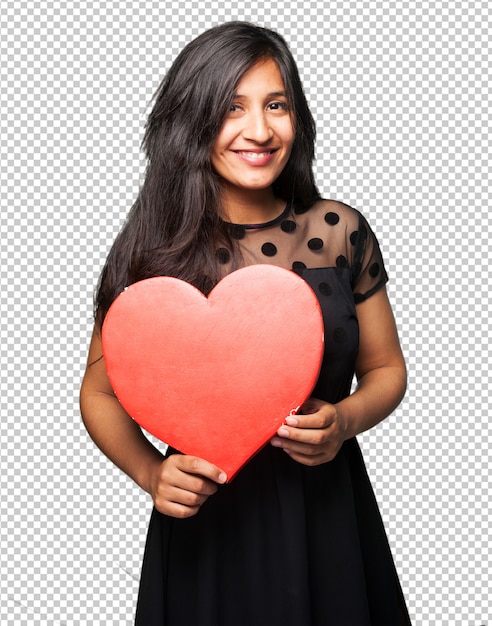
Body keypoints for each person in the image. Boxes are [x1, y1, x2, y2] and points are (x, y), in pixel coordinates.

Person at [80, 21, 411, 625]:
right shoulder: (152, 252)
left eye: (276, 105)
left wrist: (345, 421)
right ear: (192, 120)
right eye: (231, 108)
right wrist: (151, 473)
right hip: (206, 535)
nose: (259, 130)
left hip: (327, 520)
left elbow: (387, 369)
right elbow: (98, 394)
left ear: (298, 117)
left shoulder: (340, 231)